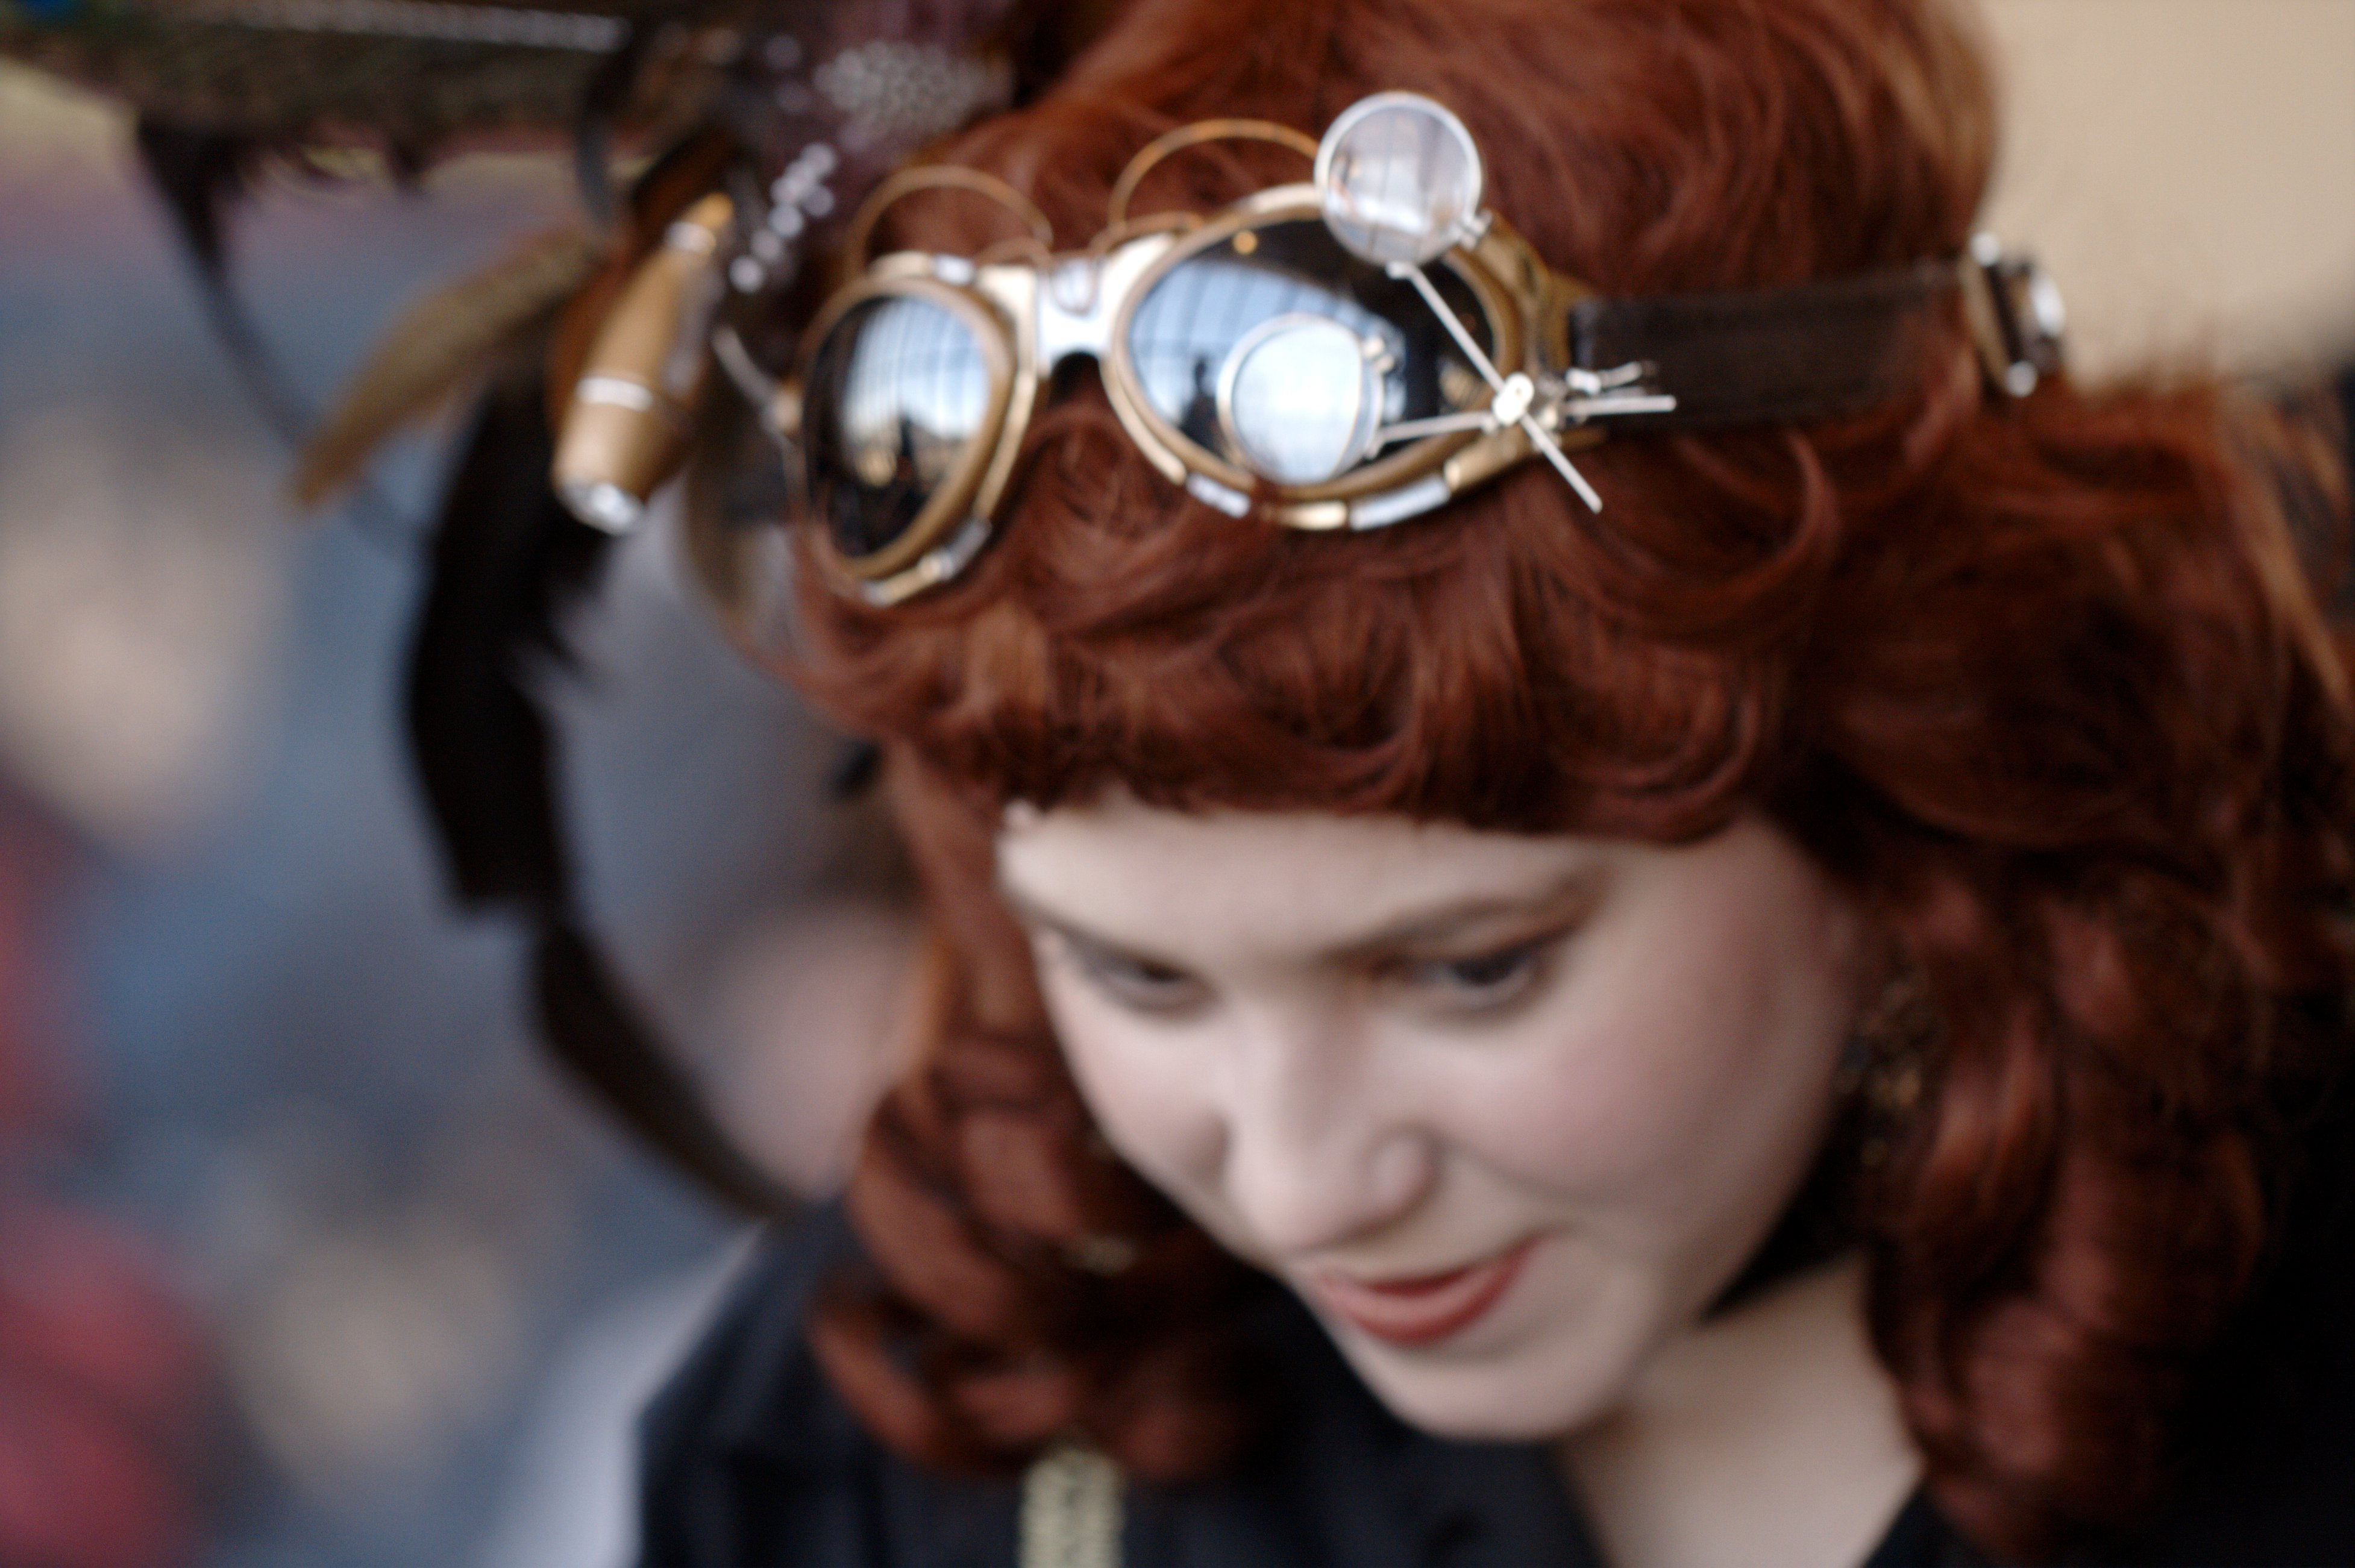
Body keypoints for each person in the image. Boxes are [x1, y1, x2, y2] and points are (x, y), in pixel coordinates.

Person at [638, 0, 2355, 1563]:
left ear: (1912, 789)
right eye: (1138, 975)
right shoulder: (868, 1447)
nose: (1303, 1186)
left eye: (1467, 970)